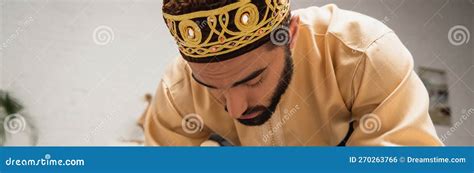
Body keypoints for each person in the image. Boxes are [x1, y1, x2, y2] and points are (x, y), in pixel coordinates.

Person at [141, 0, 443, 146]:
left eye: (253, 79)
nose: (235, 108)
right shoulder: (177, 87)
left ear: (291, 34)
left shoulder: (364, 52)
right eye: (211, 86)